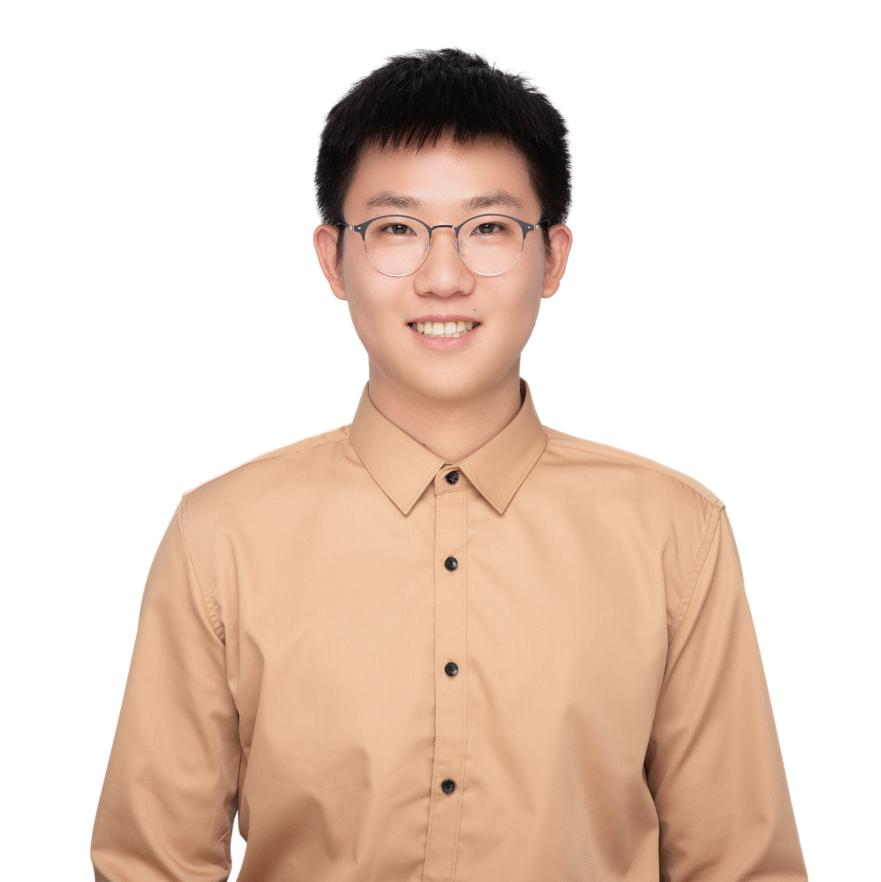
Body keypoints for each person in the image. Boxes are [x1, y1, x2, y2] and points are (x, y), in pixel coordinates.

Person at [90, 47, 808, 881]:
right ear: (332, 257)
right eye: (396, 229)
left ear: (553, 257)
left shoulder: (672, 534)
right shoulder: (222, 536)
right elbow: (153, 866)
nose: (442, 277)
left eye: (488, 229)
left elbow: (737, 864)